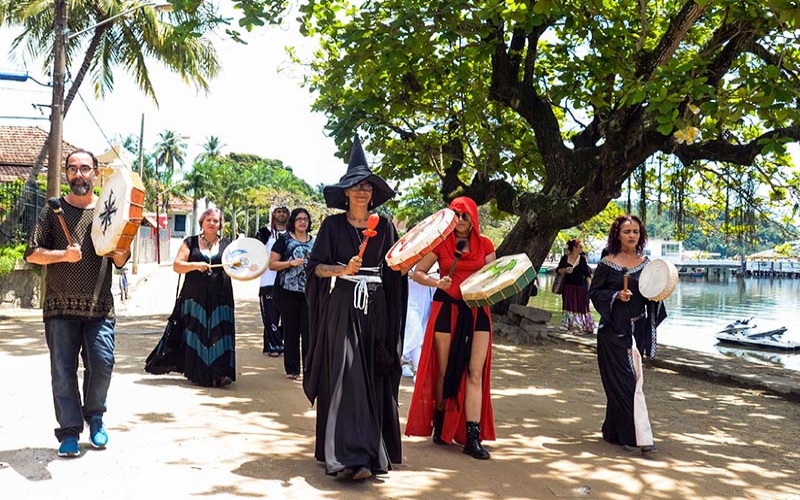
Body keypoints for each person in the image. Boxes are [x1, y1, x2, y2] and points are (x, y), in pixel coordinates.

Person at [303, 135, 408, 481]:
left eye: (367, 186)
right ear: (345, 193)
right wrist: (340, 270)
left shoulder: (386, 225)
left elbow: (394, 269)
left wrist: (404, 267)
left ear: (373, 193)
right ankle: (350, 457)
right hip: (343, 307)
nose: (362, 191)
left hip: (376, 310)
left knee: (372, 377)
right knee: (347, 376)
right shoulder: (332, 226)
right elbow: (314, 267)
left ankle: (368, 453)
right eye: (356, 186)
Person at [25, 149, 130, 458]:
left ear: (96, 173)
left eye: (85, 168)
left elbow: (122, 260)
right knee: (62, 371)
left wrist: (116, 250)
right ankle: (69, 431)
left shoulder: (108, 211)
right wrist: (62, 256)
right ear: (67, 173)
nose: (79, 174)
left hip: (99, 308)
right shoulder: (52, 211)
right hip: (59, 307)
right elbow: (32, 253)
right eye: (73, 169)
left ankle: (95, 416)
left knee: (102, 363)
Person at [405, 196, 496, 460]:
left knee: (475, 373)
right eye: (456, 215)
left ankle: (472, 437)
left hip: (477, 311)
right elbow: (417, 273)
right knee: (444, 372)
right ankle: (441, 420)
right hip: (447, 309)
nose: (460, 220)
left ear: (473, 217)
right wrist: (437, 283)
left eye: (465, 215)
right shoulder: (441, 242)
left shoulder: (486, 244)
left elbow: (493, 277)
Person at [588, 214, 667, 456]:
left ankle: (612, 430)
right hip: (612, 333)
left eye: (635, 231)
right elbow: (595, 293)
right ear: (617, 235)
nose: (631, 235)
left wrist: (659, 293)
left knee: (625, 383)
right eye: (626, 231)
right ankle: (638, 436)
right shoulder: (607, 264)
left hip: (636, 331)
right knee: (627, 384)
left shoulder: (647, 265)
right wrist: (615, 297)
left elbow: (653, 296)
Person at [171, 207, 237, 388]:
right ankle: (199, 373)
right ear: (202, 222)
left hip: (221, 296)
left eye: (216, 221)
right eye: (209, 220)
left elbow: (240, 266)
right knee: (197, 334)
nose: (212, 223)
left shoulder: (228, 245)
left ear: (220, 224)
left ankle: (220, 372)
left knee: (220, 333)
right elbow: (177, 265)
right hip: (195, 295)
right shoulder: (190, 243)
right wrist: (194, 265)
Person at [269, 207, 315, 379]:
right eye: (299, 219)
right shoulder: (284, 240)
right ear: (293, 222)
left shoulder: (315, 241)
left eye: (305, 219)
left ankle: (310, 369)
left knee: (309, 332)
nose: (302, 222)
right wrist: (290, 263)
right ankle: (292, 369)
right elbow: (272, 264)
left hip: (308, 293)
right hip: (287, 292)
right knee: (291, 331)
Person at [257, 204, 289, 356]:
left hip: (288, 281)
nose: (281, 214)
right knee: (270, 315)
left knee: (287, 315)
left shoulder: (293, 233)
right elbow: (254, 251)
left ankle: (275, 343)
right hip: (268, 280)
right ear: (273, 214)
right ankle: (274, 346)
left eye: (284, 212)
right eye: (278, 211)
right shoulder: (264, 233)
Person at [402, 263, 436, 381]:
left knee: (422, 329)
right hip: (408, 296)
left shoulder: (430, 254)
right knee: (415, 329)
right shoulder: (406, 251)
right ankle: (419, 370)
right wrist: (411, 274)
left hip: (425, 296)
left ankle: (405, 360)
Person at [556, 238, 595, 335]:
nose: (582, 249)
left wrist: (591, 285)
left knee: (582, 306)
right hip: (568, 286)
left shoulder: (582, 259)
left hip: (580, 287)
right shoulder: (565, 258)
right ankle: (569, 325)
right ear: (575, 247)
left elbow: (587, 274)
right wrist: (565, 270)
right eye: (580, 247)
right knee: (568, 305)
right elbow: (558, 270)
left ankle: (583, 326)